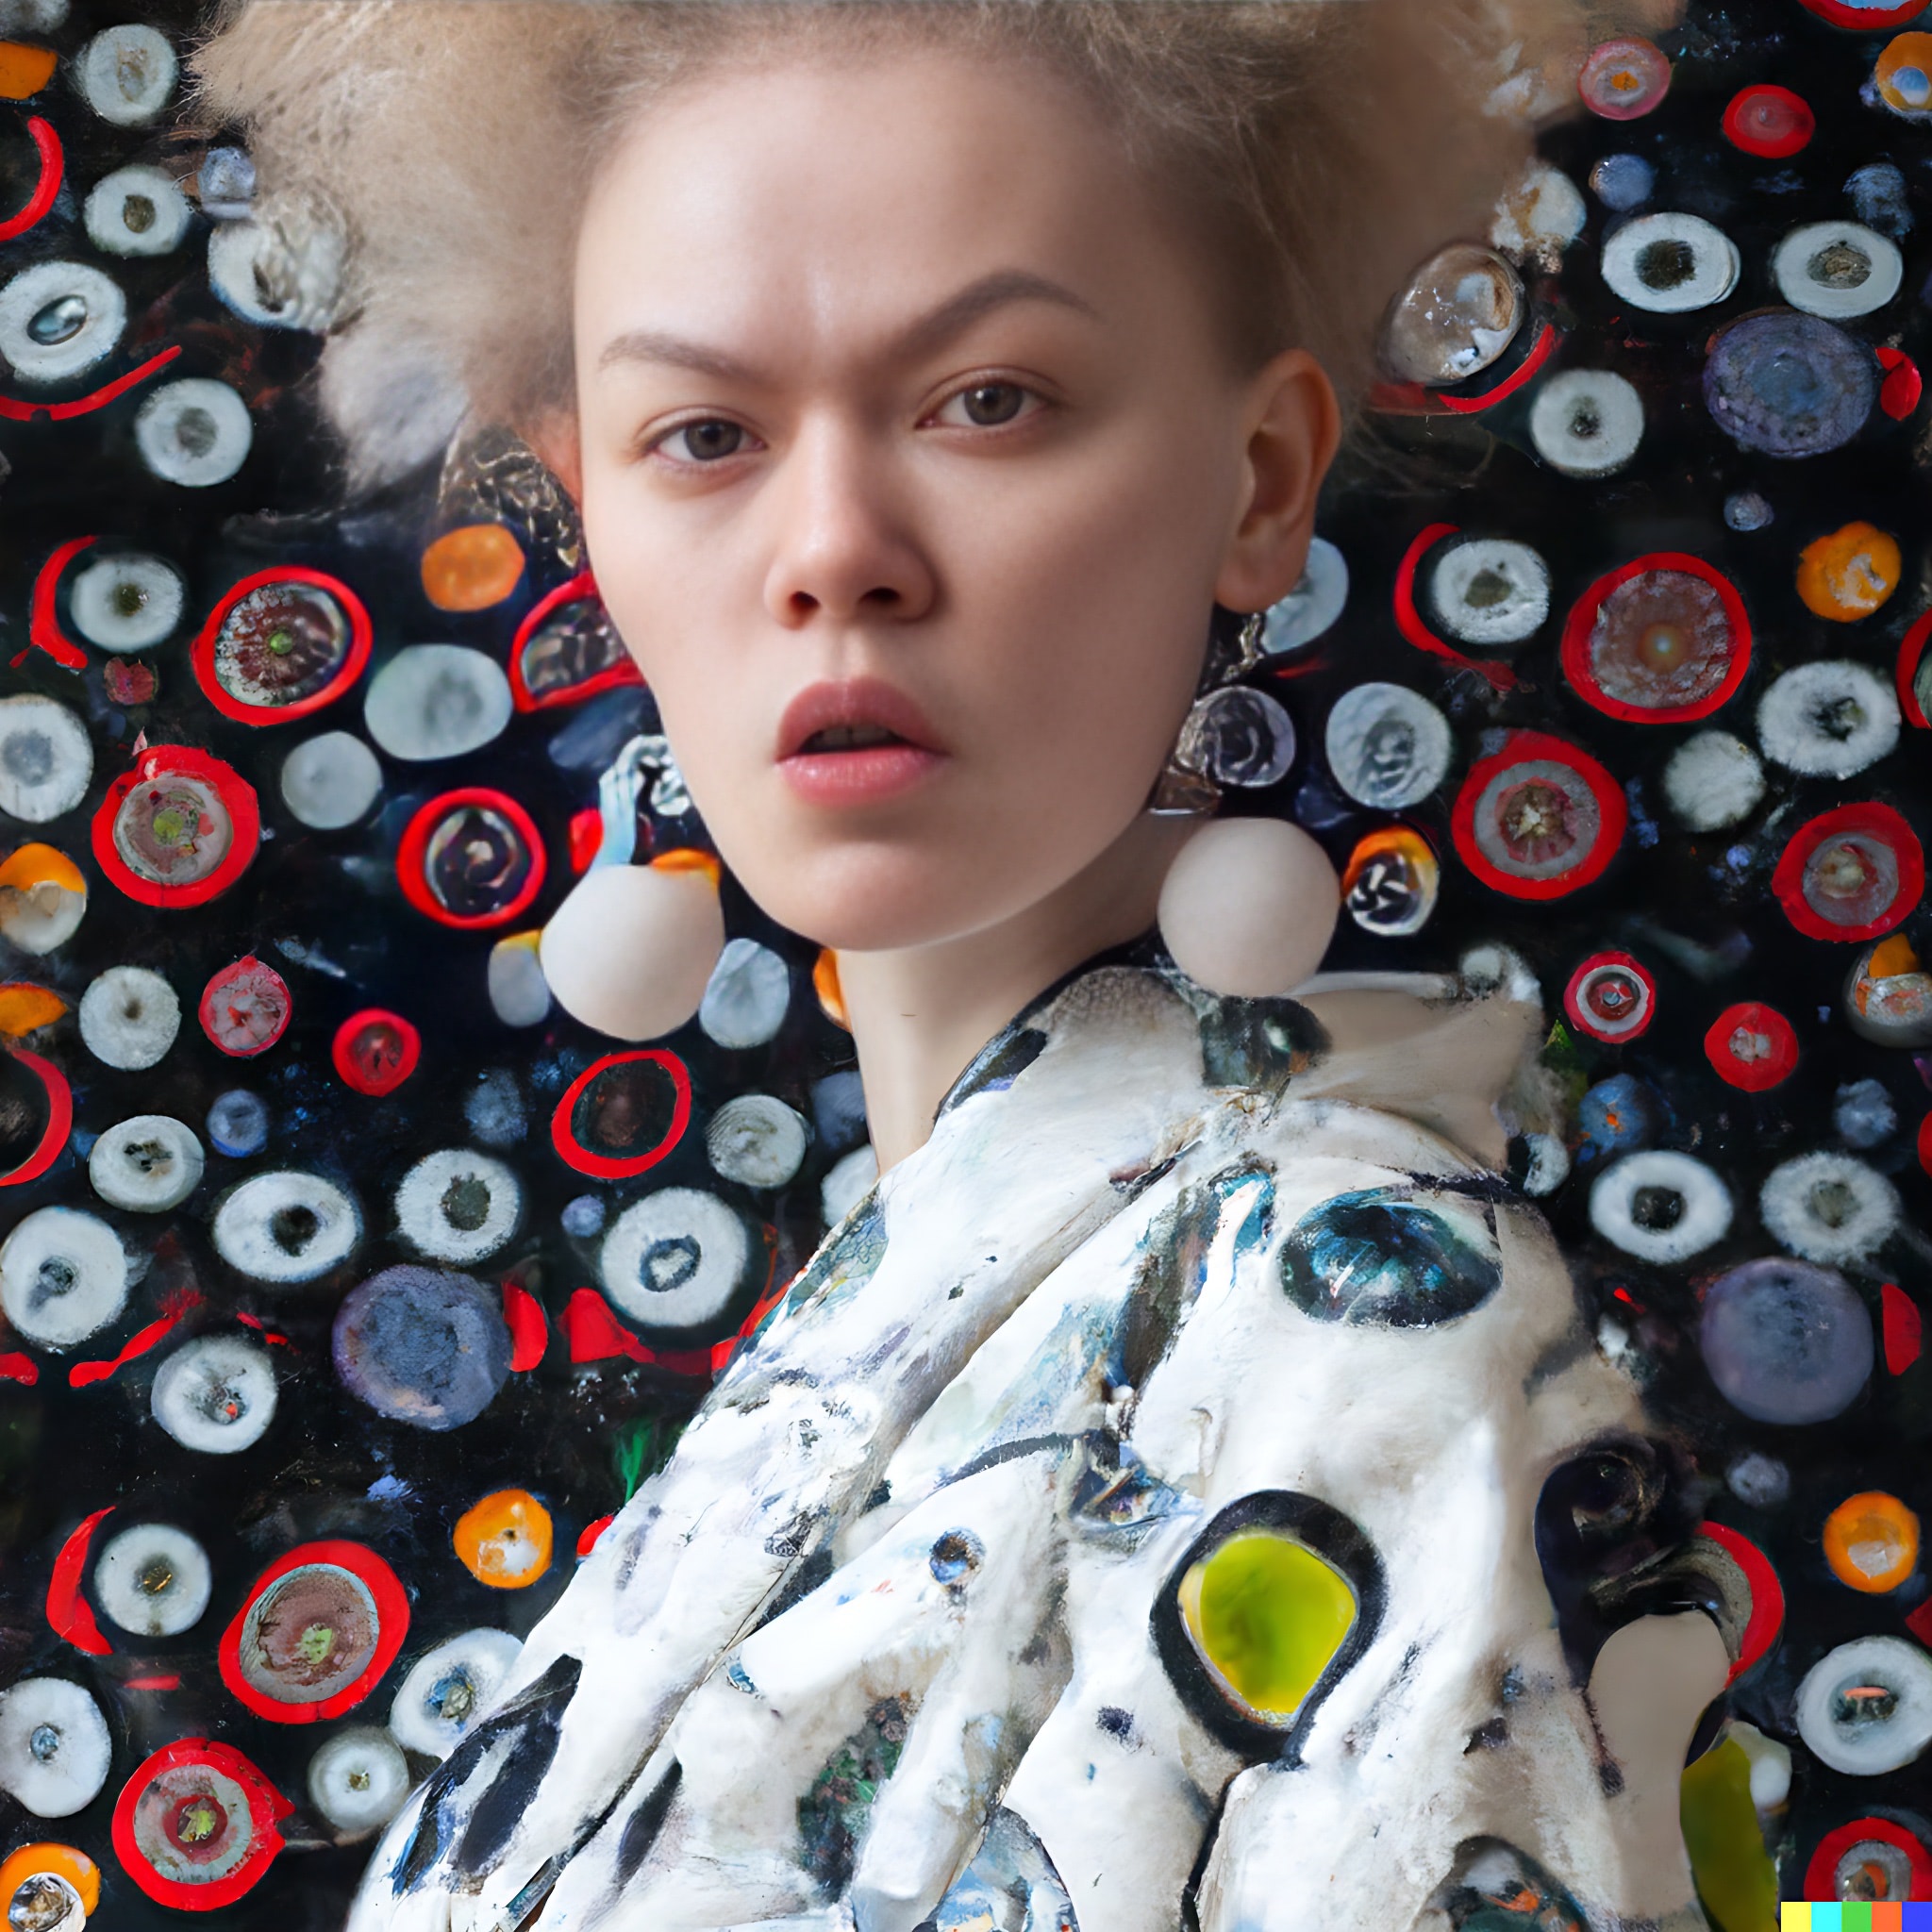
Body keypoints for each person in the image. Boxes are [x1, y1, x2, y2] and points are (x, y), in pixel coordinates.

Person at [190, 4, 1743, 1926]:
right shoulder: (847, 1367)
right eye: (704, 436)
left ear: (1257, 481)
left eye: (987, 398)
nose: (835, 548)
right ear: (584, 514)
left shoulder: (1368, 1340)